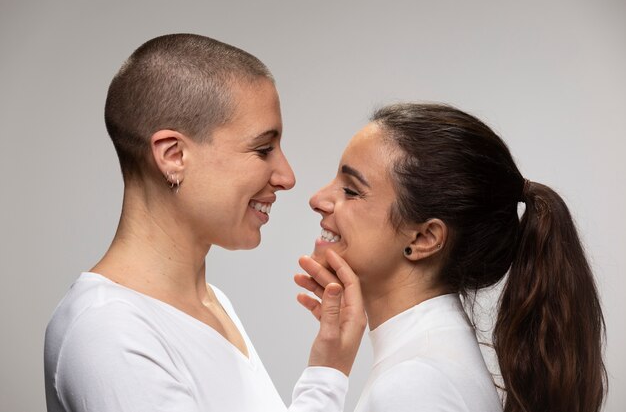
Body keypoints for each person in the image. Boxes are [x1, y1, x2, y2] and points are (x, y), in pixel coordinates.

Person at [44, 33, 366, 412]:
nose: (287, 176)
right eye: (263, 149)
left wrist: (328, 369)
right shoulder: (109, 332)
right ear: (174, 155)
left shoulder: (212, 305)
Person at [295, 103, 607, 412]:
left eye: (351, 190)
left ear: (424, 238)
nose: (318, 199)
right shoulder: (425, 367)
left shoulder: (414, 384)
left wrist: (324, 377)